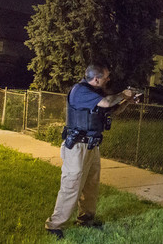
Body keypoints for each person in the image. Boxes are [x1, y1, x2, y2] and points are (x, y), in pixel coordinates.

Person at [45, 63, 139, 239]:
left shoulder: (95, 93)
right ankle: (54, 225)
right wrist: (122, 94)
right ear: (96, 78)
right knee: (71, 186)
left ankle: (86, 219)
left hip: (92, 146)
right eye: (106, 76)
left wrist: (127, 101)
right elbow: (107, 102)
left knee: (91, 186)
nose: (109, 79)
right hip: (77, 146)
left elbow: (112, 110)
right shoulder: (80, 91)